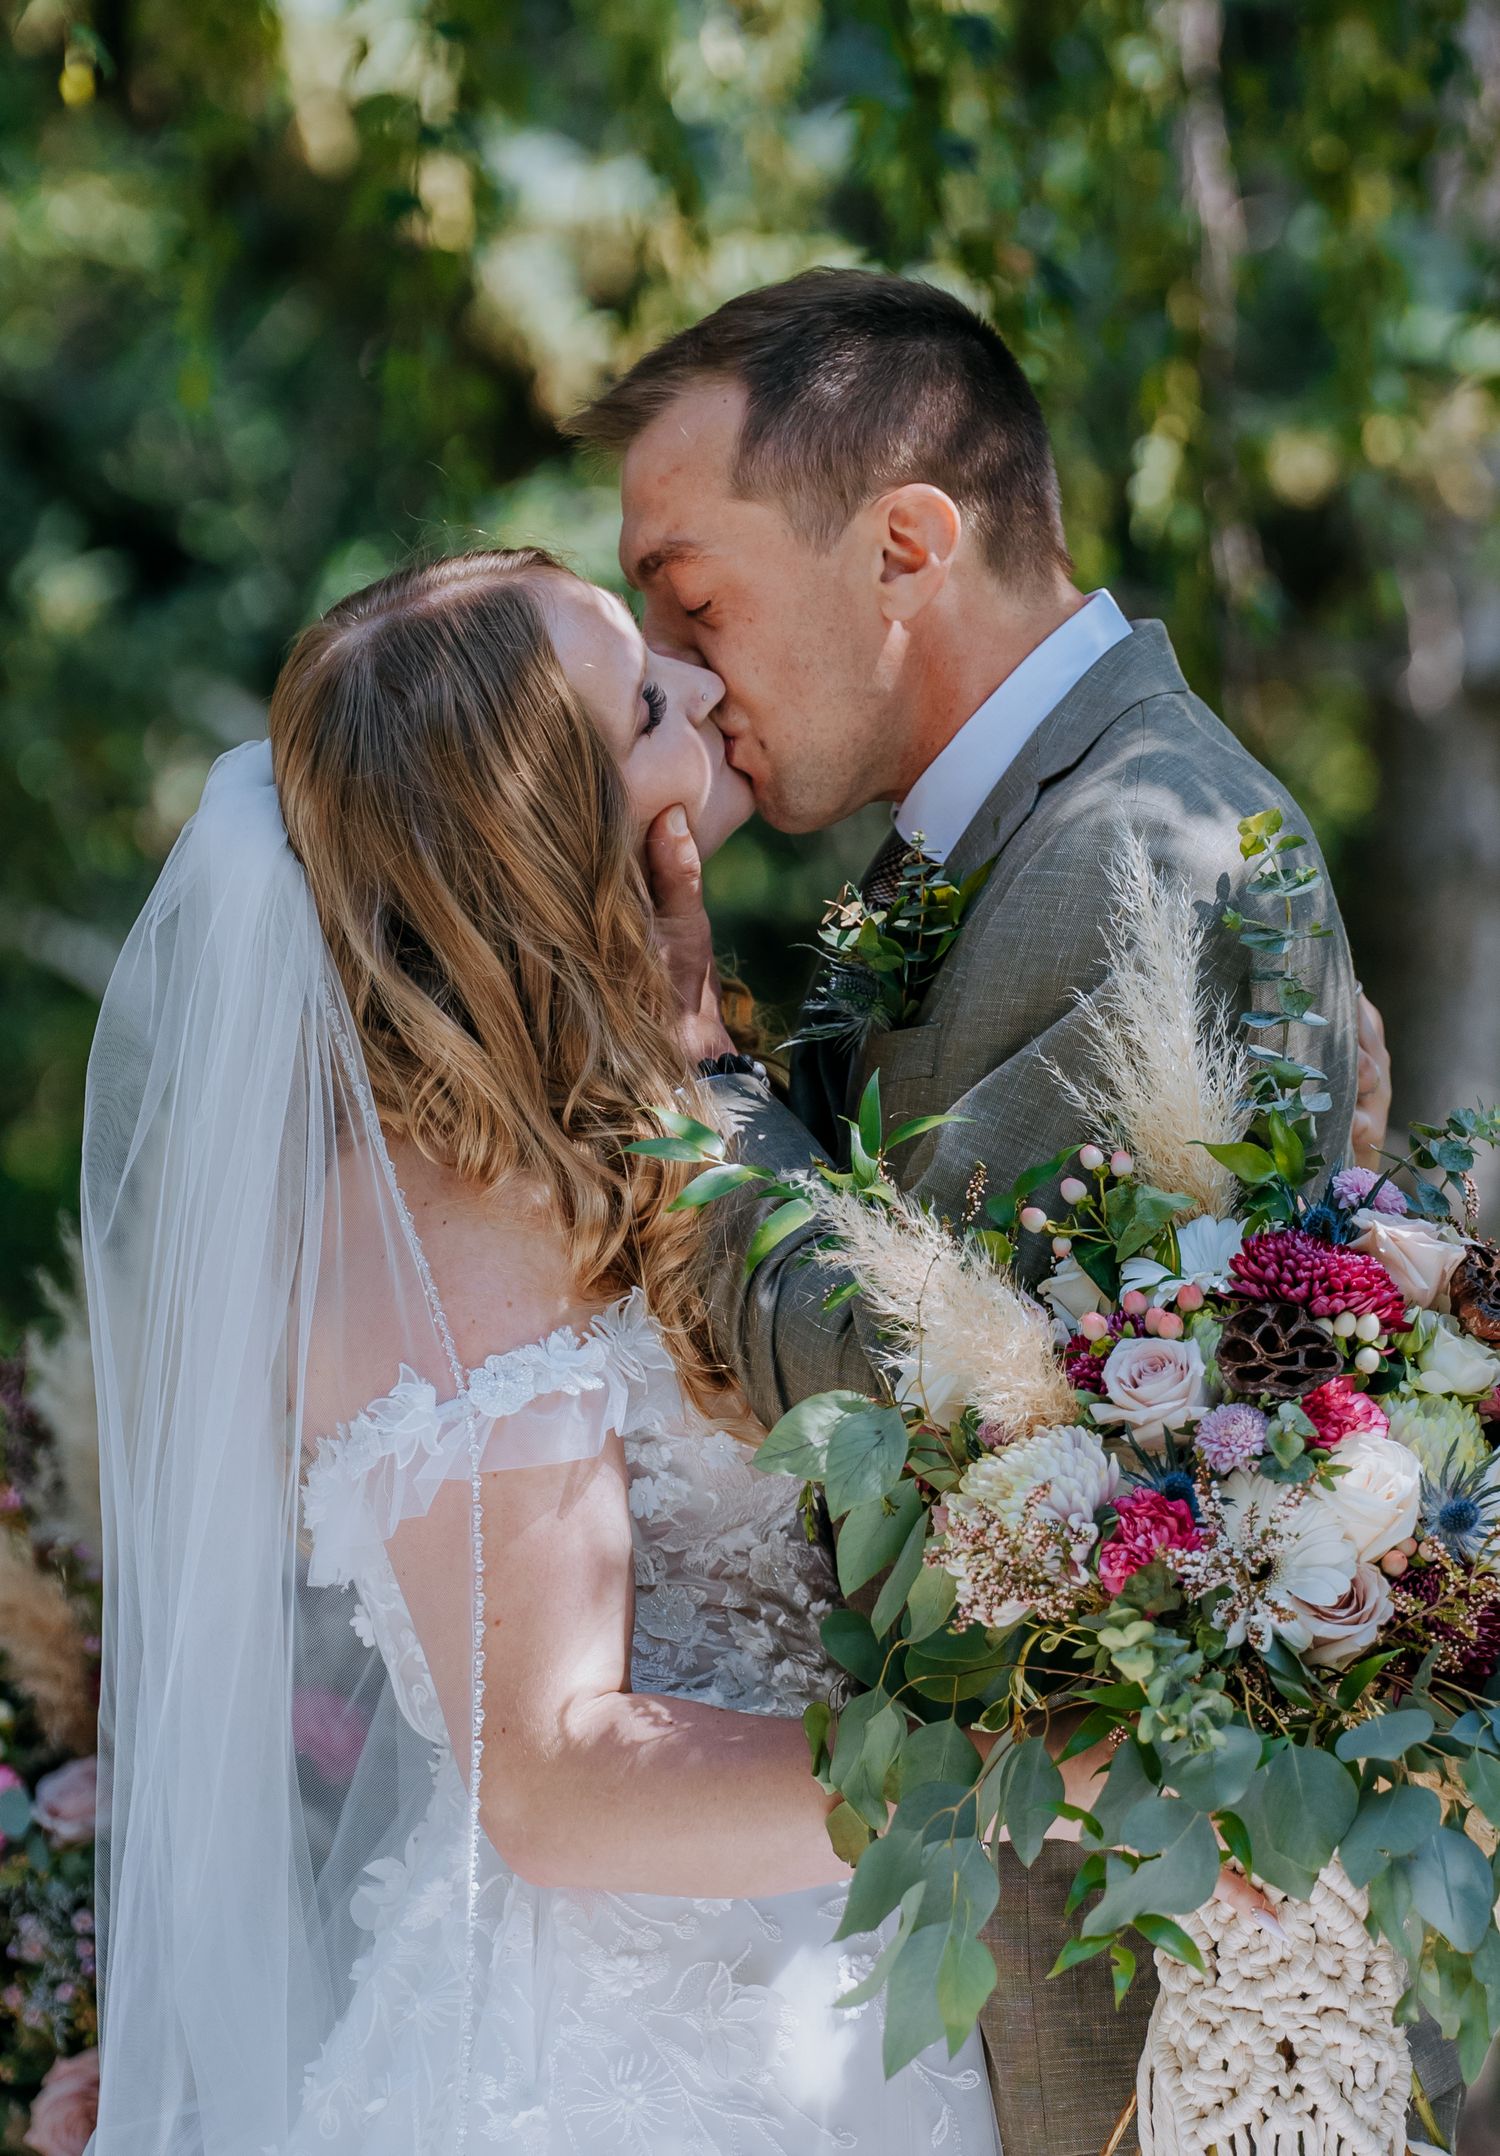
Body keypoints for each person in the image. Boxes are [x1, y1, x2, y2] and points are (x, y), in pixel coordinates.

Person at [567, 266, 1458, 2156]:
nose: (691, 676)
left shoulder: (1141, 851)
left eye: (693, 595)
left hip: (1115, 2022)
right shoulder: (1007, 838)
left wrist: (687, 1076)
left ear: (904, 542)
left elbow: (944, 1409)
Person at [81, 549, 1002, 2155]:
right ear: (547, 830)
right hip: (626, 2066)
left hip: (785, 1985)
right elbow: (557, 1780)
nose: (706, 690)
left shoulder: (588, 1129)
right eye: (649, 699)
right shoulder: (457, 1224)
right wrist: (998, 1782)